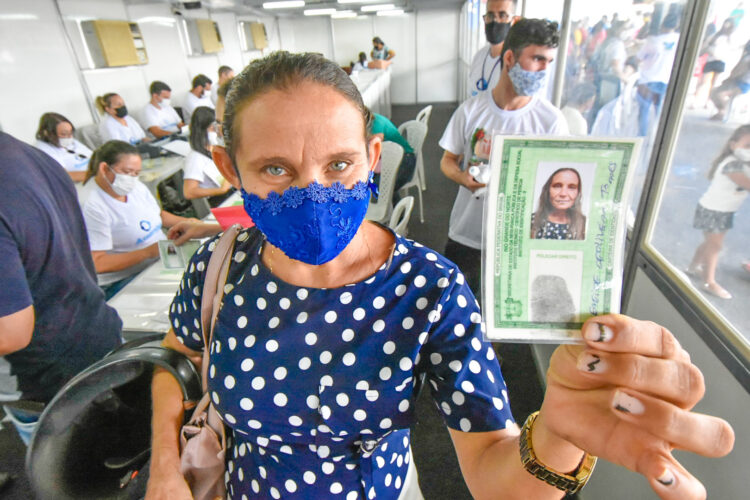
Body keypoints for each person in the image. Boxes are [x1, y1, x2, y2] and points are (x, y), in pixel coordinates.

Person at [145, 51, 734, 500]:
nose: (314, 192)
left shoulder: (428, 290)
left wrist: (557, 434)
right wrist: (166, 470)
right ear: (230, 168)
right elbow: (175, 355)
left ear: (373, 157)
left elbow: (494, 470)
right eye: (275, 169)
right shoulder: (220, 265)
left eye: (340, 164)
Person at [440, 18, 569, 297]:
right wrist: (462, 177)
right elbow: (447, 161)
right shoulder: (471, 111)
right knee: (459, 312)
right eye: (537, 59)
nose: (544, 70)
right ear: (510, 58)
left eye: (550, 61)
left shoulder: (551, 122)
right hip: (467, 234)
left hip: (514, 242)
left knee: (499, 324)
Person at [0, 131, 122, 420]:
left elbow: (11, 332)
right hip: (94, 335)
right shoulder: (32, 157)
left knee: (68, 461)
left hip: (46, 381)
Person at [79, 140, 196, 298]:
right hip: (125, 277)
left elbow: (157, 215)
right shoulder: (91, 205)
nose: (132, 178)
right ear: (104, 168)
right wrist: (148, 252)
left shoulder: (135, 187)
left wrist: (190, 224)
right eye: (127, 172)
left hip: (160, 259)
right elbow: (97, 262)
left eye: (136, 173)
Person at [687, 124, 750, 299]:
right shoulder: (732, 165)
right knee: (715, 246)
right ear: (733, 145)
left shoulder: (743, 164)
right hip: (714, 211)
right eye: (747, 146)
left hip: (721, 210)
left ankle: (693, 267)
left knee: (709, 242)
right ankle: (709, 282)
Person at [635, 12, 680, 136]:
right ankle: (658, 136)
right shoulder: (679, 40)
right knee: (660, 112)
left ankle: (641, 137)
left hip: (648, 79)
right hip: (666, 79)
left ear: (662, 25)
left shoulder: (653, 41)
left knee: (644, 111)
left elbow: (638, 58)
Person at [182, 106, 232, 204]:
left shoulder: (215, 147)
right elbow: (189, 192)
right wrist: (221, 190)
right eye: (213, 128)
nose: (216, 131)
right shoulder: (195, 158)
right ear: (202, 130)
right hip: (220, 200)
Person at [468, 0, 518, 98]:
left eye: (502, 15)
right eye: (490, 16)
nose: (495, 21)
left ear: (514, 21)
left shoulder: (517, 63)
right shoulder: (479, 56)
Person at [33, 112, 92, 182]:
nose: (69, 137)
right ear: (47, 133)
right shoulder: (43, 149)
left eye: (71, 133)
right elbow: (64, 175)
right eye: (64, 134)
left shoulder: (69, 140)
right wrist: (94, 175)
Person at [530, 168, 586, 239]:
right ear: (548, 190)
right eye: (557, 186)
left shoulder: (586, 224)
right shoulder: (531, 221)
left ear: (578, 193)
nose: (563, 193)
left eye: (571, 187)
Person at [370, 112, 416, 197]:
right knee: (372, 185)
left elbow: (375, 148)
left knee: (378, 189)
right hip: (390, 159)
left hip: (405, 159)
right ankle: (394, 209)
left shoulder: (376, 122)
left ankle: (395, 209)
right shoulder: (371, 120)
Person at [693, 18, 735, 109]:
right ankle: (695, 100)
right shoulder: (715, 36)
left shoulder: (730, 38)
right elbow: (706, 45)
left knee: (714, 83)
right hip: (711, 60)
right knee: (702, 82)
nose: (726, 26)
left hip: (720, 61)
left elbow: (732, 49)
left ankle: (707, 102)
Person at [709, 40, 750, 121]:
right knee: (714, 92)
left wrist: (730, 78)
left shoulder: (747, 59)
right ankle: (722, 111)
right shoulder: (746, 58)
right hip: (735, 82)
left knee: (719, 94)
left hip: (742, 85)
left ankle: (723, 111)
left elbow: (737, 72)